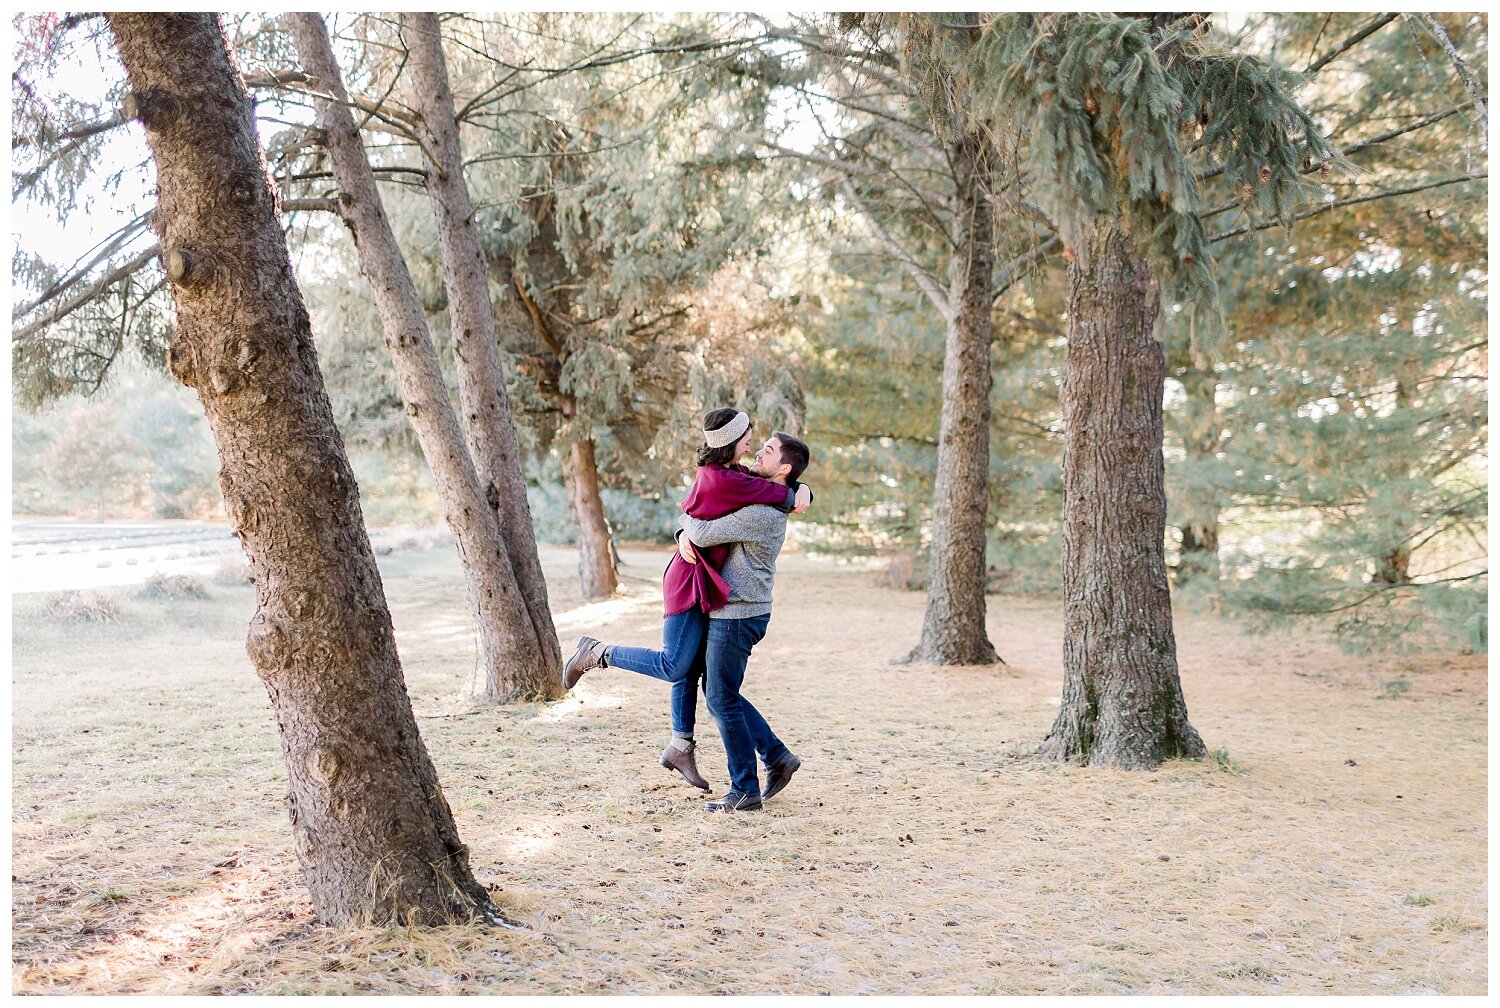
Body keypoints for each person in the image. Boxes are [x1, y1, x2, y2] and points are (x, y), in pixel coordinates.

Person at [561, 408, 809, 793]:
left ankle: (695, 749)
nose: (755, 448)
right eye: (750, 441)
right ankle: (598, 653)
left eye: (766, 449)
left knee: (711, 687)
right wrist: (686, 529)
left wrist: (801, 490)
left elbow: (706, 522)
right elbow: (709, 517)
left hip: (718, 594)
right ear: (730, 442)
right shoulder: (731, 480)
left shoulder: (741, 482)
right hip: (692, 581)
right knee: (681, 668)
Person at [674, 429, 811, 811]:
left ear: (783, 467)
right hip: (738, 609)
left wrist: (684, 518)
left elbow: (702, 529)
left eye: (766, 451)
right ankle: (776, 756)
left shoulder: (762, 513)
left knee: (720, 697)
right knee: (723, 695)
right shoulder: (762, 494)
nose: (757, 455)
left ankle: (746, 790)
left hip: (738, 613)